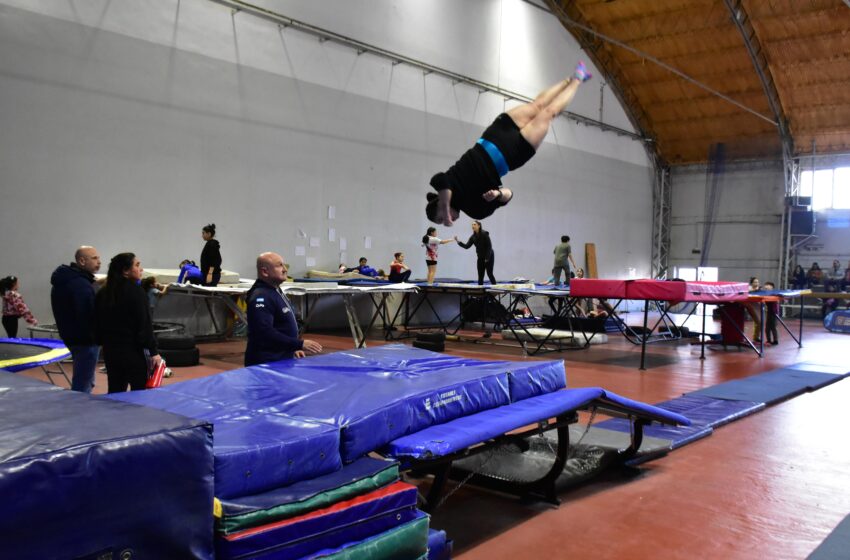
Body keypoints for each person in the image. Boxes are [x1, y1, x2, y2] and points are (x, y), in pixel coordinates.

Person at [426, 62, 592, 226]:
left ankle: (568, 80)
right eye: (443, 221)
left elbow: (441, 183)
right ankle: (578, 78)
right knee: (549, 113)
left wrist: (446, 206)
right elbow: (509, 195)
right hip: (513, 153)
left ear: (440, 204)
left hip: (496, 134)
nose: (447, 221)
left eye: (441, 218)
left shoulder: (444, 182)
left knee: (537, 105)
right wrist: (498, 194)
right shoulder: (475, 210)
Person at [94, 253, 161, 393]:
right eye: (137, 265)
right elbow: (144, 324)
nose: (140, 269)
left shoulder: (103, 292)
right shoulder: (136, 292)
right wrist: (153, 351)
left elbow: (97, 322)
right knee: (139, 392)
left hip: (111, 351)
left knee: (115, 390)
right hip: (133, 352)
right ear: (125, 270)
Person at [245, 252, 322, 366]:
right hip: (266, 363)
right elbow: (264, 332)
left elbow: (280, 326)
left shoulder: (275, 290)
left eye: (284, 265)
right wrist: (298, 344)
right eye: (279, 265)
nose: (285, 269)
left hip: (280, 359)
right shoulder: (261, 296)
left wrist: (291, 348)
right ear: (265, 272)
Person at [50, 246, 102, 393]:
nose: (99, 262)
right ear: (82, 261)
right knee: (83, 383)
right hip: (86, 340)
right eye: (94, 258)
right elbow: (87, 313)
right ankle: (79, 412)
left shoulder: (66, 280)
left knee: (85, 378)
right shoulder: (80, 285)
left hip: (72, 337)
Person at [455, 220, 496, 285]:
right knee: (480, 275)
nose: (472, 226)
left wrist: (487, 258)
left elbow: (489, 246)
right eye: (472, 225)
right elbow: (466, 246)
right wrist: (458, 241)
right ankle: (480, 292)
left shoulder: (484, 234)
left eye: (474, 224)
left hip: (489, 255)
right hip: (480, 257)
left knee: (489, 273)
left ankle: (495, 289)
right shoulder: (473, 237)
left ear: (479, 226)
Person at [763, 281, 779, 345]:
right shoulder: (766, 294)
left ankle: (775, 340)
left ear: (772, 287)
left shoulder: (774, 293)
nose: (766, 287)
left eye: (768, 285)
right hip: (769, 312)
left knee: (773, 327)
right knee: (767, 328)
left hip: (774, 312)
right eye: (766, 286)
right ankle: (768, 340)